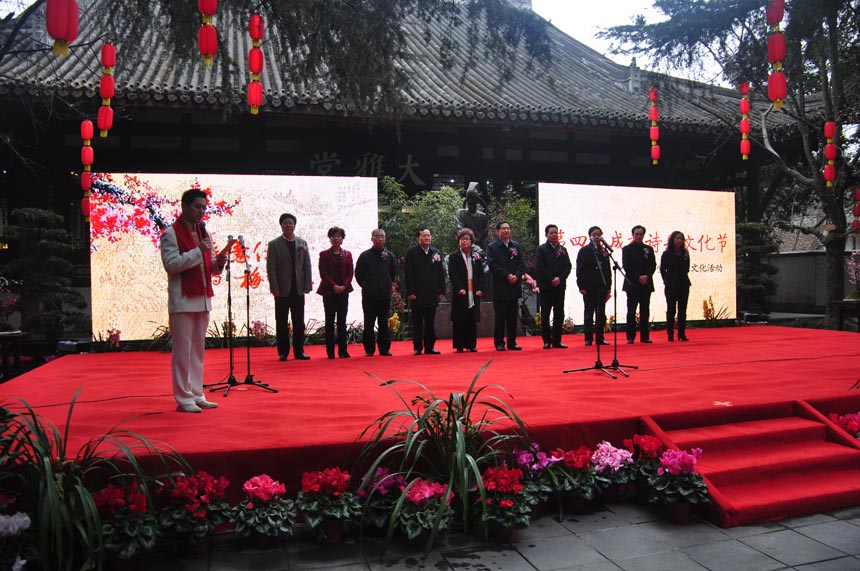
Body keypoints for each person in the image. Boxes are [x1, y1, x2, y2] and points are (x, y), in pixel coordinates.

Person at [160, 188, 231, 413]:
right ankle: (183, 398)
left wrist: (219, 262)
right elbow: (171, 265)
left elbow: (208, 270)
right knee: (182, 351)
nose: (202, 211)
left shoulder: (204, 233)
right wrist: (198, 252)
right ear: (184, 206)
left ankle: (197, 393)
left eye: (203, 207)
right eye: (197, 207)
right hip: (182, 300)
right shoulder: (170, 233)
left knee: (197, 350)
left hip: (202, 298)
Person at [266, 213, 312, 361]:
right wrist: (274, 287)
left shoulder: (302, 243)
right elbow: (271, 268)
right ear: (281, 225)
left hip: (298, 288)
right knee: (281, 321)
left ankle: (299, 351)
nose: (288, 225)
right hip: (281, 289)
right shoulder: (274, 244)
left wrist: (307, 284)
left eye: (290, 223)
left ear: (294, 225)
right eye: (285, 223)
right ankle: (283, 352)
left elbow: (307, 265)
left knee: (299, 321)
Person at [354, 229, 397, 356]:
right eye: (377, 237)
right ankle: (369, 349)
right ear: (372, 239)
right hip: (369, 295)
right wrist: (367, 286)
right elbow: (359, 275)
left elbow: (392, 273)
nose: (380, 239)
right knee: (369, 322)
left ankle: (384, 348)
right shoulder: (365, 256)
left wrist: (387, 284)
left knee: (383, 322)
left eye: (382, 237)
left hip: (384, 294)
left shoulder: (389, 256)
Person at [404, 227, 446, 355]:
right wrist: (410, 292)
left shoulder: (436, 253)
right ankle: (417, 347)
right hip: (417, 294)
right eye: (424, 236)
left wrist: (441, 290)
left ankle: (429, 347)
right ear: (418, 238)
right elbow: (408, 274)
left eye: (428, 236)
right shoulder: (411, 253)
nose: (427, 238)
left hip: (432, 293)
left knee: (430, 322)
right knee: (417, 322)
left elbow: (440, 273)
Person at [486, 221, 525, 351]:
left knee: (513, 316)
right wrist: (507, 275)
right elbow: (493, 265)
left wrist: (516, 275)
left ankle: (512, 341)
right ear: (497, 231)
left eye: (508, 228)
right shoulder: (492, 247)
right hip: (500, 286)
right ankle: (499, 342)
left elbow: (521, 263)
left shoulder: (516, 246)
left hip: (514, 286)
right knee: (500, 317)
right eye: (503, 229)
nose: (506, 231)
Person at [317, 226, 353, 359]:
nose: (336, 238)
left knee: (342, 321)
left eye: (339, 236)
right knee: (329, 321)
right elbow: (323, 273)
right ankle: (330, 351)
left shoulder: (347, 254)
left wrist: (343, 285)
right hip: (329, 291)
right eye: (333, 236)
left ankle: (343, 350)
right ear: (330, 239)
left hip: (344, 291)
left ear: (342, 239)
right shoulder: (324, 254)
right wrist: (334, 285)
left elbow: (350, 272)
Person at [535, 224, 572, 349]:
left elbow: (568, 266)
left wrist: (559, 279)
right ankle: (546, 340)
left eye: (556, 232)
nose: (554, 235)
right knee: (545, 314)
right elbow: (539, 267)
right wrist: (551, 279)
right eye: (551, 233)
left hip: (559, 287)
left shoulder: (563, 249)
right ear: (546, 235)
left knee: (559, 314)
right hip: (546, 287)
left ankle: (557, 340)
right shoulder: (541, 249)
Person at [447, 228, 484, 353]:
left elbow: (480, 274)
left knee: (471, 318)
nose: (464, 241)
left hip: (473, 291)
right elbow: (452, 274)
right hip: (460, 292)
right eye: (462, 239)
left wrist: (480, 289)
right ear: (458, 241)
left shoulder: (476, 256)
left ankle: (471, 344)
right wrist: (459, 288)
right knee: (459, 318)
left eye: (467, 239)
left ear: (471, 241)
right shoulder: (454, 256)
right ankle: (459, 345)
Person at [575, 226, 612, 346]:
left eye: (598, 235)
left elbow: (608, 270)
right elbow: (579, 270)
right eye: (594, 235)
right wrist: (581, 286)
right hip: (589, 286)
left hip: (602, 286)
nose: (596, 237)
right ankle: (588, 338)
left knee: (601, 313)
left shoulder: (604, 251)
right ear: (589, 236)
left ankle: (600, 337)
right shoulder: (584, 251)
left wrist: (608, 286)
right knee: (589, 313)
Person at [622, 225, 657, 344]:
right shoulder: (627, 249)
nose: (638, 236)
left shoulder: (648, 249)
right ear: (633, 235)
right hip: (632, 284)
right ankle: (630, 337)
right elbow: (627, 266)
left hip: (646, 283)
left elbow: (653, 265)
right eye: (636, 234)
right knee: (631, 311)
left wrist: (646, 276)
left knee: (645, 310)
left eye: (640, 234)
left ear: (643, 235)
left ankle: (644, 336)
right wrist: (638, 277)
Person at [661, 230, 692, 342]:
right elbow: (662, 269)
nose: (679, 240)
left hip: (683, 283)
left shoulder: (685, 253)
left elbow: (687, 268)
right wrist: (666, 280)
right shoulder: (667, 254)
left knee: (682, 309)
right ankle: (670, 333)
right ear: (672, 240)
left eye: (681, 239)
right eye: (677, 238)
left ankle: (681, 332)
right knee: (671, 309)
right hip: (671, 284)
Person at [455, 183, 490, 251]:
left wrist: (482, 251)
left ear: (477, 200)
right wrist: (473, 247)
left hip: (480, 248)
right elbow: (459, 231)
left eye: (472, 199)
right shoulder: (461, 213)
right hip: (465, 246)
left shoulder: (483, 217)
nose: (470, 201)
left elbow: (484, 236)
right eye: (468, 198)